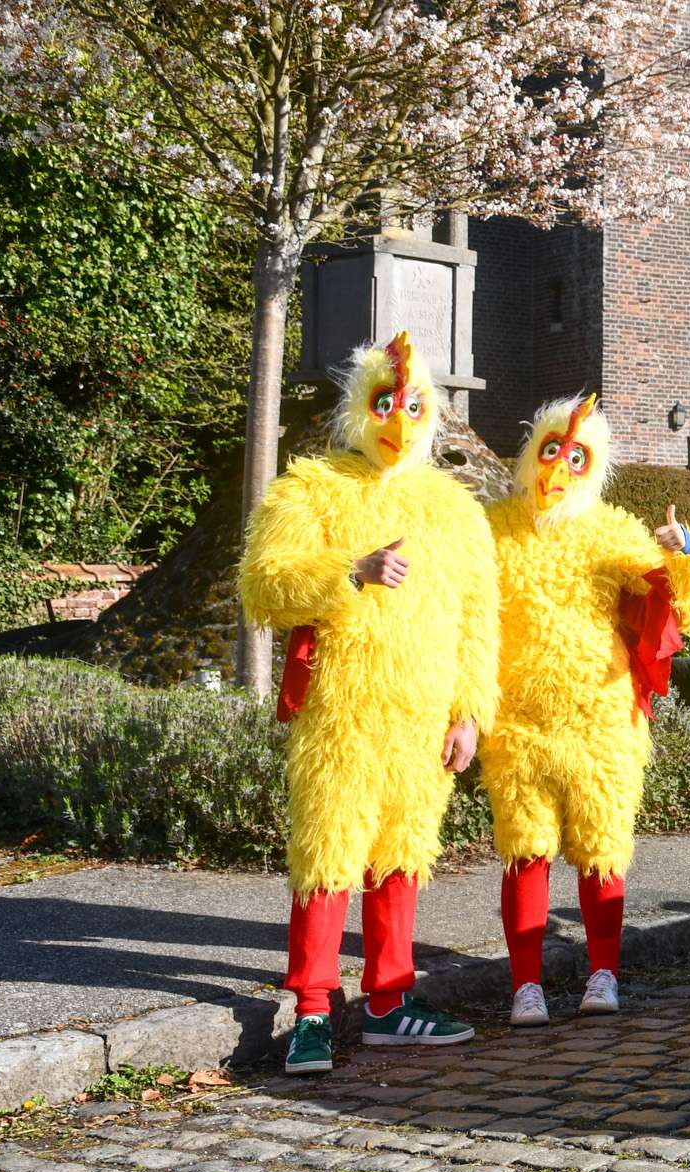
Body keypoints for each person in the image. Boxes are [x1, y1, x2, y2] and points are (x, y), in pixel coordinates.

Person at [239, 332, 499, 1075]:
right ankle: (313, 1010)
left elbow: (479, 619)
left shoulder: (455, 510)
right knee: (327, 855)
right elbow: (263, 586)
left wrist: (469, 712)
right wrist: (349, 571)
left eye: (413, 405)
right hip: (341, 717)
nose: (398, 419)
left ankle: (389, 1002)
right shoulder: (311, 488)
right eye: (385, 401)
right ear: (361, 405)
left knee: (401, 854)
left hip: (422, 721)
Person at [483, 394, 690, 1027]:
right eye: (551, 450)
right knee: (525, 850)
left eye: (577, 457)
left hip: (603, 719)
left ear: (594, 467)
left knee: (601, 846)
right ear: (532, 453)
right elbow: (466, 616)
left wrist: (685, 550)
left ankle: (603, 972)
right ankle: (525, 985)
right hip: (518, 723)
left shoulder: (613, 532)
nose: (559, 467)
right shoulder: (496, 529)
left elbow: (677, 603)